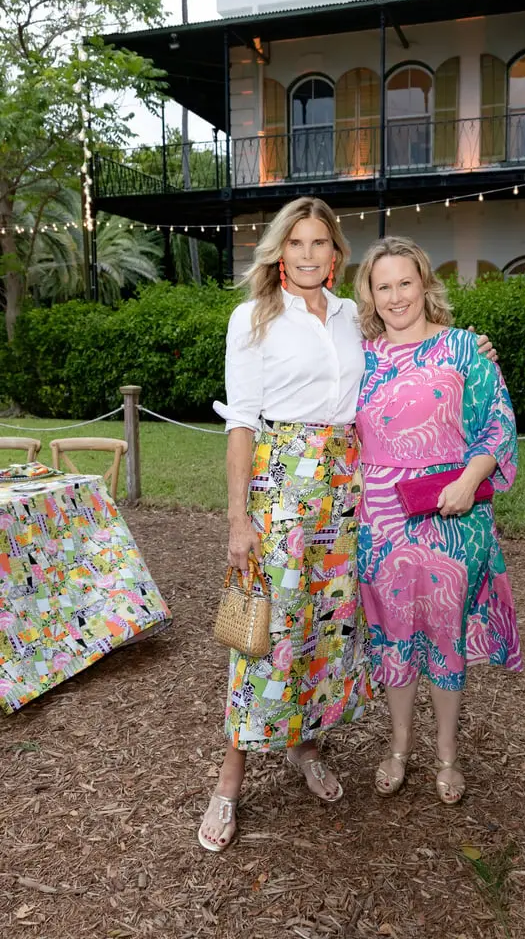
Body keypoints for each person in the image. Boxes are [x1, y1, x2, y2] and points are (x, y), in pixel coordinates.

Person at [200, 199, 496, 851]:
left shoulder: (345, 320)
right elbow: (242, 423)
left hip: (346, 488)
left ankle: (304, 746)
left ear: (336, 255)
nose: (307, 254)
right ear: (280, 251)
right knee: (264, 633)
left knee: (324, 630)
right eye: (296, 243)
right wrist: (237, 519)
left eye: (319, 243)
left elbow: (410, 358)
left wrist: (469, 345)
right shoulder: (252, 318)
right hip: (281, 484)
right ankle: (229, 780)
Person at [354, 236, 522, 805]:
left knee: (445, 639)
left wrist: (469, 482)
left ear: (425, 284)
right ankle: (398, 748)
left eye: (406, 282)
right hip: (381, 521)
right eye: (384, 286)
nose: (396, 296)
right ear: (370, 296)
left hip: (453, 516)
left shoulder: (464, 350)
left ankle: (447, 755)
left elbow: (496, 425)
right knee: (394, 638)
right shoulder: (358, 356)